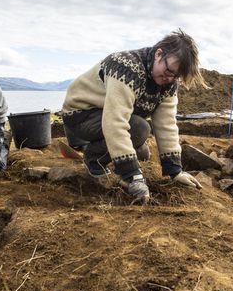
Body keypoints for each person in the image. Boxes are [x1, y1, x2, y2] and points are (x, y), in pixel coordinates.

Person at [61, 29, 207, 203]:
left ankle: (98, 150)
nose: (170, 79)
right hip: (80, 115)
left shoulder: (169, 82)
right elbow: (115, 121)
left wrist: (175, 171)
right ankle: (93, 159)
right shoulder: (126, 67)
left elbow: (166, 123)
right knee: (139, 128)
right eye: (169, 71)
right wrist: (133, 177)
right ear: (159, 54)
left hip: (104, 116)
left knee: (142, 153)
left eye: (176, 76)